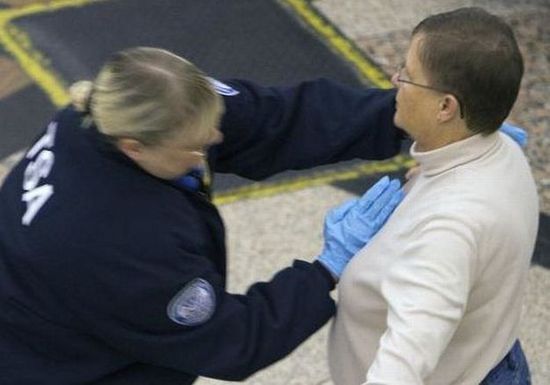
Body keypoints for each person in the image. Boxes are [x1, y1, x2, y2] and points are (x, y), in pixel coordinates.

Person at [0, 47, 405, 384]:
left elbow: (273, 120)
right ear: (134, 148)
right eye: (195, 148)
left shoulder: (126, 106)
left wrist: (399, 115)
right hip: (60, 365)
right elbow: (233, 341)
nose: (212, 143)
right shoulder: (121, 241)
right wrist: (324, 271)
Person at [328, 7, 538, 385]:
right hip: (493, 358)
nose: (395, 80)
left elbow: (403, 366)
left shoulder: (447, 231)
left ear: (446, 107)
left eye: (408, 75)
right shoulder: (498, 149)